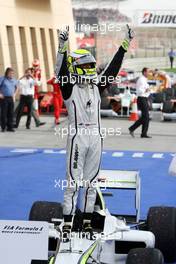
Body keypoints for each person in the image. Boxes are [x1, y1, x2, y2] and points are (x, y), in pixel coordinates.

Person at [55, 25, 134, 239]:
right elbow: (61, 71)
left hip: (96, 137)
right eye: (87, 65)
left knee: (91, 183)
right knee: (72, 183)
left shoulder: (96, 86)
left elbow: (112, 70)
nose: (91, 67)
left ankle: (88, 223)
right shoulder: (68, 88)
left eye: (91, 64)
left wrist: (124, 45)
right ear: (77, 67)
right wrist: (62, 46)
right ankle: (68, 225)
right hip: (78, 136)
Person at [129, 67, 151, 138]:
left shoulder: (144, 79)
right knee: (146, 117)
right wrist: (146, 90)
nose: (149, 73)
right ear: (144, 72)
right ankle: (134, 129)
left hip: (144, 98)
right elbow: (139, 91)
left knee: (145, 117)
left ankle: (143, 133)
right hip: (141, 98)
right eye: (148, 72)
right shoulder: (141, 80)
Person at [0, 67, 18, 132]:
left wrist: (14, 95)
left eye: (12, 73)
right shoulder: (2, 78)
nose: (12, 75)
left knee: (11, 113)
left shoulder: (14, 80)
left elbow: (17, 87)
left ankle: (10, 127)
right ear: (7, 73)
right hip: (4, 98)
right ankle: (3, 127)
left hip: (11, 98)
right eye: (10, 73)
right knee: (4, 113)